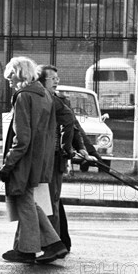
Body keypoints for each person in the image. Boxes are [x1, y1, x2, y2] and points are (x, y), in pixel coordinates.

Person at [0, 56, 68, 264]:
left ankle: (28, 250)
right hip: (41, 160)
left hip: (24, 161)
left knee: (24, 202)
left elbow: (22, 138)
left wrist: (8, 164)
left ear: (19, 75)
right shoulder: (44, 95)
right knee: (29, 201)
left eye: (10, 76)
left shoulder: (23, 97)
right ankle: (54, 244)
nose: (9, 81)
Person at [36, 64, 96, 252]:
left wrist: (83, 150)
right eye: (52, 78)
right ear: (41, 80)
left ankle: (53, 245)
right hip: (48, 159)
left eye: (57, 78)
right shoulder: (44, 100)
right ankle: (56, 242)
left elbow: (73, 127)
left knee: (49, 202)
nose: (57, 81)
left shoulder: (55, 101)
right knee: (48, 202)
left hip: (52, 159)